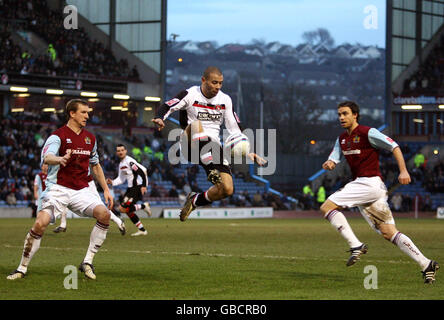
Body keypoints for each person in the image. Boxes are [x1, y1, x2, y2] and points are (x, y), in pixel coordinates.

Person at [320, 101, 439, 284]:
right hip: (367, 188)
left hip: (369, 183)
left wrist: (404, 170)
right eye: (339, 114)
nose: (341, 117)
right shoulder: (342, 139)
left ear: (355, 115)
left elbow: (395, 146)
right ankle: (426, 264)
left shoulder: (368, 132)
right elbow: (333, 158)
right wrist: (330, 163)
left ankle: (355, 245)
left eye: (345, 114)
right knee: (388, 232)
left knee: (327, 206)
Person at [7, 99, 113, 281]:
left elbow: (95, 165)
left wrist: (105, 189)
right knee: (40, 224)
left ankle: (87, 261)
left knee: (104, 214)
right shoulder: (57, 136)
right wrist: (60, 159)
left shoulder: (90, 139)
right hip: (58, 188)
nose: (87, 116)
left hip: (82, 190)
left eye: (88, 113)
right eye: (84, 112)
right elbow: (47, 157)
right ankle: (21, 268)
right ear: (72, 113)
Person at [152, 66, 267, 221]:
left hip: (212, 148)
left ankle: (195, 200)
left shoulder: (225, 99)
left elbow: (234, 128)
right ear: (203, 80)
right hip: (189, 143)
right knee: (196, 125)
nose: (218, 87)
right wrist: (160, 117)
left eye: (220, 83)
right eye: (214, 82)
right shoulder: (190, 94)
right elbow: (168, 105)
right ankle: (211, 170)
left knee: (227, 189)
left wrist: (247, 152)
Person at [53, 168, 127, 236]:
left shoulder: (85, 154)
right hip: (74, 181)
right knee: (65, 199)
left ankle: (118, 221)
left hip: (87, 183)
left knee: (99, 207)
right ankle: (63, 224)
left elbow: (95, 166)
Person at [106, 144, 151, 236]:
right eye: (118, 151)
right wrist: (113, 182)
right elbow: (121, 179)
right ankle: (142, 230)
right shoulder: (121, 164)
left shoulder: (130, 161)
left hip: (137, 187)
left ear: (126, 151)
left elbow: (142, 171)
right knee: (127, 210)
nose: (120, 152)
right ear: (116, 152)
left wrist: (144, 185)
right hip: (131, 188)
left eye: (122, 150)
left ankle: (143, 206)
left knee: (123, 208)